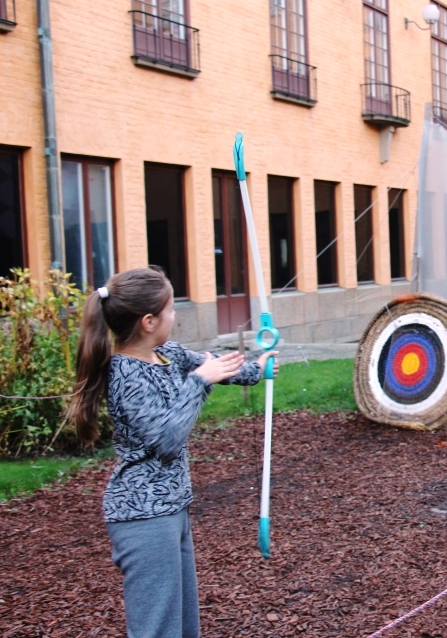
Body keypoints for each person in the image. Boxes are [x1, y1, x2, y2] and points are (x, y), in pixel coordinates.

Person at [66, 266, 278, 638]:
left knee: (183, 625)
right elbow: (166, 439)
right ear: (148, 322)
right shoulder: (126, 375)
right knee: (158, 628)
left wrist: (258, 368)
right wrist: (198, 382)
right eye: (170, 309)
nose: (175, 316)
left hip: (170, 508)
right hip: (142, 516)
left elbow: (214, 367)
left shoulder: (165, 354)